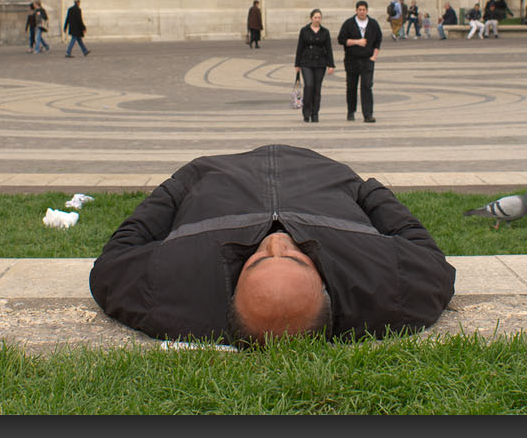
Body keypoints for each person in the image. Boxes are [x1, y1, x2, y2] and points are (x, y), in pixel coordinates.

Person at [88, 144, 456, 344]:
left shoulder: (172, 284)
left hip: (220, 172)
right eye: (297, 259)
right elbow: (432, 261)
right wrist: (364, 189)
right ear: (326, 284)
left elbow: (112, 262)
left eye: (258, 260)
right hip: (317, 169)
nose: (277, 242)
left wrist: (177, 187)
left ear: (231, 289)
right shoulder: (387, 285)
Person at [338, 0, 382, 122]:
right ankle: (351, 111)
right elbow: (341, 39)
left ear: (367, 11)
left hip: (367, 60)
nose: (362, 12)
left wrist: (374, 56)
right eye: (360, 10)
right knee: (351, 86)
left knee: (367, 86)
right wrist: (357, 42)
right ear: (356, 10)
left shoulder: (373, 24)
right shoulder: (349, 23)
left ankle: (368, 114)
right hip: (351, 60)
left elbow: (378, 40)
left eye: (364, 10)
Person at [293, 8, 335, 122]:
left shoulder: (325, 32)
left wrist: (331, 65)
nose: (317, 19)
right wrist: (297, 64)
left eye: (319, 17)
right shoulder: (304, 30)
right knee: (309, 86)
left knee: (317, 89)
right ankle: (306, 112)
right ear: (311, 18)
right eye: (315, 17)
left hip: (320, 63)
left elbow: (329, 49)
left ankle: (315, 113)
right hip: (306, 62)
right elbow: (299, 47)